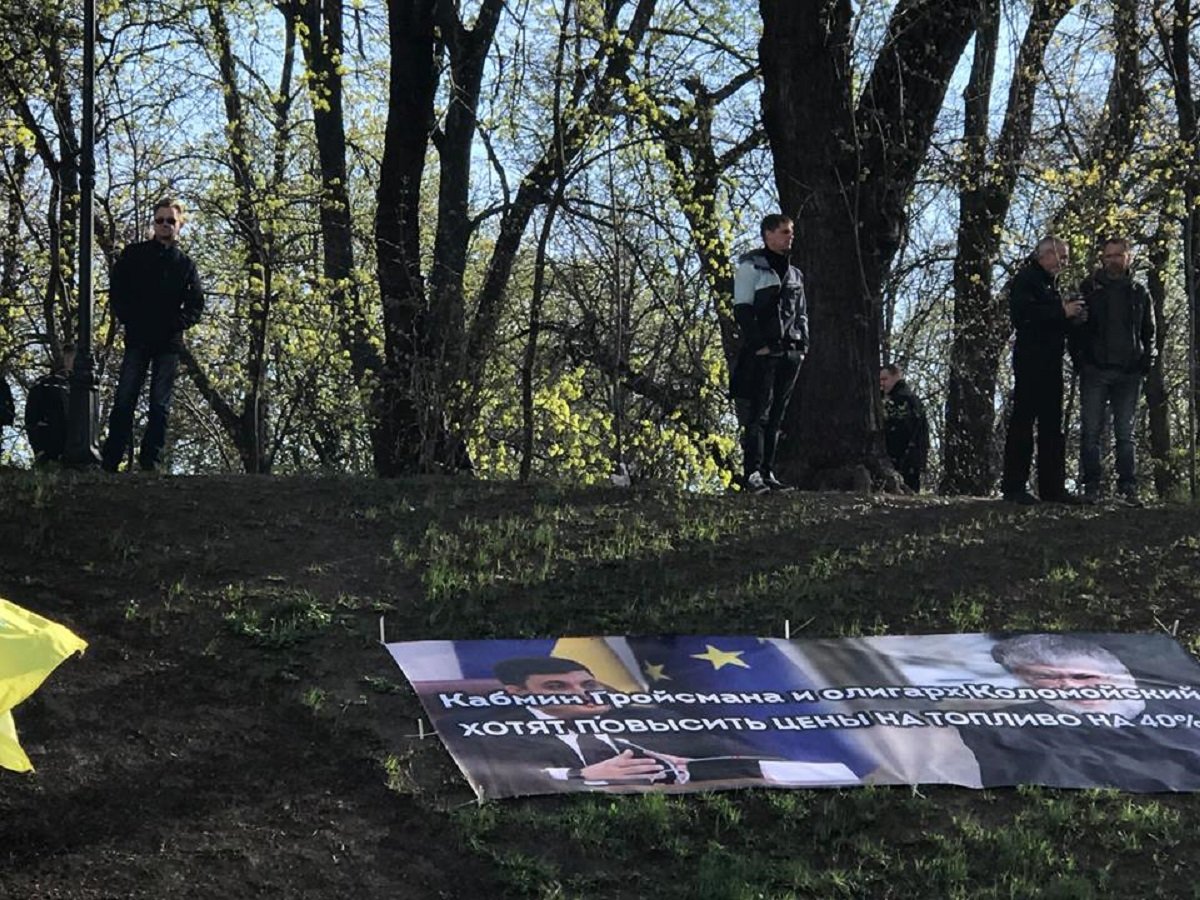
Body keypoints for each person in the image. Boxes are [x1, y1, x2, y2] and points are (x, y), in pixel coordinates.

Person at [441, 656, 857, 799]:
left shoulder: (645, 718)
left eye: (588, 684)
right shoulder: (491, 728)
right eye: (557, 688)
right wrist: (578, 775)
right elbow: (488, 770)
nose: (583, 694)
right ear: (517, 693)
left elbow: (731, 750)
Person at [957, 634, 1200, 791]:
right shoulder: (1004, 729)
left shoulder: (1186, 712)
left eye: (1083, 676)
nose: (1070, 686)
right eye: (1046, 678)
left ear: (1122, 674)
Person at [101, 198, 204, 473]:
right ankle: (111, 459)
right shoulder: (134, 255)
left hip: (168, 343)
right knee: (125, 398)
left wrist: (176, 323)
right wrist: (130, 319)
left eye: (170, 220)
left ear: (179, 224)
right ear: (153, 223)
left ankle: (151, 462)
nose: (165, 225)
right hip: (138, 337)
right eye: (160, 220)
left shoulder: (185, 265)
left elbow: (196, 305)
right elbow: (118, 291)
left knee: (160, 404)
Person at [999, 236, 1086, 505]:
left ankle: (1053, 488)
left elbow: (1054, 322)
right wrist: (1062, 311)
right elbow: (1025, 316)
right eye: (1061, 256)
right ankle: (1014, 486)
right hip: (1030, 360)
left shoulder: (1050, 285)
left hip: (1051, 361)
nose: (1065, 263)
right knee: (1024, 421)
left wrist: (1074, 320)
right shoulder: (1026, 279)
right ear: (1044, 255)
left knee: (1052, 425)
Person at [1070, 238, 1155, 507]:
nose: (1113, 261)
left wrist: (1146, 360)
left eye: (1118, 255)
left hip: (1129, 373)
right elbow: (1075, 328)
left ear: (1128, 258)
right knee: (1091, 432)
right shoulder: (1089, 288)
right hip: (1095, 370)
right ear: (1102, 258)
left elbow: (1149, 331)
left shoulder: (1139, 292)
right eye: (1108, 256)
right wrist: (1081, 360)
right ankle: (1091, 488)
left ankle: (1128, 489)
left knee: (1125, 434)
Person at [729, 213, 808, 494]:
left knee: (777, 416)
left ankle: (768, 472)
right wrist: (759, 344)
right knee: (758, 414)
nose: (790, 237)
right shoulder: (751, 268)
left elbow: (801, 314)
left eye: (791, 232)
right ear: (768, 234)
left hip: (790, 353)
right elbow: (742, 310)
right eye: (785, 232)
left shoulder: (795, 274)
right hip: (764, 353)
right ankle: (752, 473)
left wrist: (802, 345)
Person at [879, 363, 929, 491]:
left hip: (904, 459)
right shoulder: (912, 399)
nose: (882, 384)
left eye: (885, 379)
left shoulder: (901, 400)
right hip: (913, 459)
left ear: (896, 376)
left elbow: (901, 432)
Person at [25, 345, 75, 465]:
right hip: (49, 448)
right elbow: (31, 417)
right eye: (68, 357)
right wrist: (39, 451)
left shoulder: (82, 390)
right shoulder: (44, 385)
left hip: (72, 452)